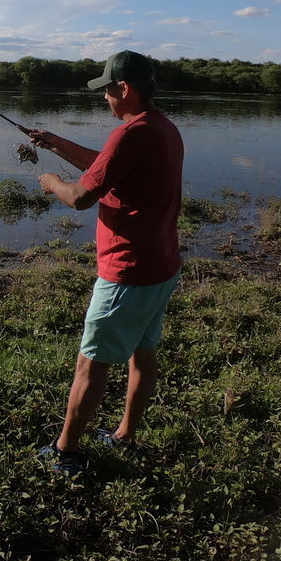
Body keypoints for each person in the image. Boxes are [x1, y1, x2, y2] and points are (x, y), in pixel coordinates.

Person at [26, 50, 184, 475]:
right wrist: (56, 142)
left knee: (90, 365)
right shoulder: (162, 128)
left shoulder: (131, 134)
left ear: (125, 89)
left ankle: (66, 453)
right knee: (142, 354)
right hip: (161, 265)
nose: (106, 99)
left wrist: (52, 182)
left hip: (127, 271)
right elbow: (107, 167)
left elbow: (80, 197)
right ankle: (125, 436)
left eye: (108, 91)